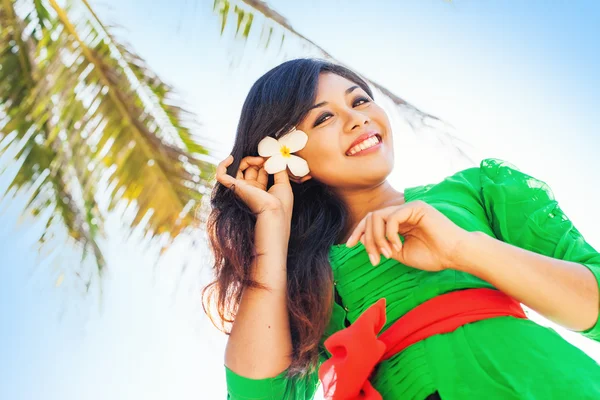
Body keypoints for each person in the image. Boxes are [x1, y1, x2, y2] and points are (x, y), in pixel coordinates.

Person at [202, 58, 600, 400]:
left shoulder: (479, 190)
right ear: (289, 160)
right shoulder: (304, 278)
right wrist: (271, 226)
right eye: (324, 117)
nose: (358, 117)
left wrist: (461, 249)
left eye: (360, 100)